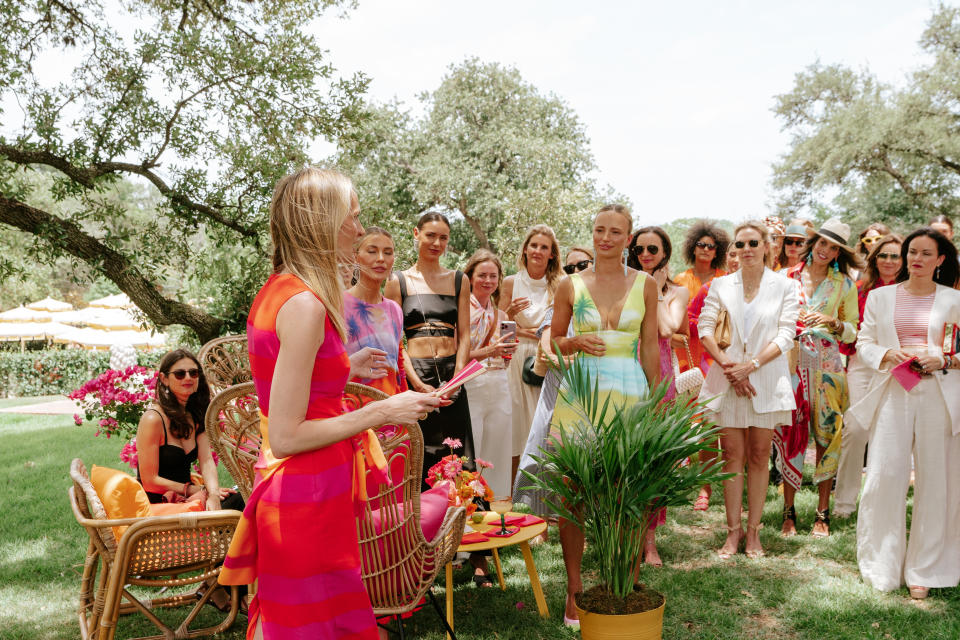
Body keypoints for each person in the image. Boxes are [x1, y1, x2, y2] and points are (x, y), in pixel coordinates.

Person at [219, 168, 442, 640]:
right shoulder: (306, 305)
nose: (360, 231)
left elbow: (290, 379)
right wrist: (384, 410)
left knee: (292, 621)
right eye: (352, 218)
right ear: (320, 221)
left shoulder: (280, 289)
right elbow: (286, 433)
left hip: (306, 487)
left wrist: (345, 366)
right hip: (307, 494)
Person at [550, 204, 660, 626]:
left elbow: (649, 348)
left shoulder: (646, 284)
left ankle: (624, 584)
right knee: (571, 491)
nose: (605, 237)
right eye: (599, 230)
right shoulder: (569, 285)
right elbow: (554, 343)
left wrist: (655, 403)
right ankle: (575, 589)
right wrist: (576, 344)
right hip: (581, 395)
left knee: (627, 492)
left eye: (615, 231)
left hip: (630, 392)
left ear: (629, 238)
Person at [848, 227, 960, 598]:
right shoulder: (880, 297)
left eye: (927, 253)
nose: (917, 259)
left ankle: (924, 570)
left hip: (938, 397)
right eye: (913, 252)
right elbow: (863, 341)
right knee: (885, 474)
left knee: (935, 480)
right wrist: (884, 354)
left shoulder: (954, 299)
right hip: (894, 391)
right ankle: (882, 565)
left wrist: (944, 358)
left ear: (941, 260)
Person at [698, 221, 799, 560]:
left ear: (769, 246)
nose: (747, 249)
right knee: (731, 456)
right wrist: (731, 368)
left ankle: (754, 533)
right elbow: (704, 329)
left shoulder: (785, 286)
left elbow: (786, 335)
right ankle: (732, 532)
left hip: (766, 380)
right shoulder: (721, 284)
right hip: (727, 380)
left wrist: (750, 366)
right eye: (740, 244)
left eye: (753, 242)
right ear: (734, 251)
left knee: (758, 456)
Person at [777, 218, 861, 538]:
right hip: (791, 362)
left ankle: (822, 514)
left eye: (834, 247)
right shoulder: (786, 277)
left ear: (839, 253)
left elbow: (853, 329)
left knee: (827, 437)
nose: (826, 250)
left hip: (827, 366)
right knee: (791, 434)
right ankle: (788, 512)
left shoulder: (845, 285)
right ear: (813, 244)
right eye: (823, 243)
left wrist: (833, 322)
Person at [512, 246, 594, 546]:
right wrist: (571, 361)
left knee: (583, 458)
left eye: (582, 265)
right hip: (559, 388)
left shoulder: (604, 304)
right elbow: (547, 348)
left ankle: (579, 524)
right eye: (569, 268)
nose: (575, 272)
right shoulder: (557, 306)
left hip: (591, 392)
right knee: (546, 455)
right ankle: (542, 525)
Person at [384, 212, 475, 477]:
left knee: (459, 455)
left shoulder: (460, 280)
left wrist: (457, 379)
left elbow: (465, 334)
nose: (436, 243)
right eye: (430, 236)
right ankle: (422, 516)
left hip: (453, 375)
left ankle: (461, 514)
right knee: (422, 452)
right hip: (416, 374)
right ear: (416, 233)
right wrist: (417, 382)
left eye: (443, 238)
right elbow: (394, 341)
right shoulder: (396, 282)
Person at [834, 234, 903, 517]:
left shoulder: (911, 291)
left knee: (889, 434)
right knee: (856, 428)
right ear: (874, 259)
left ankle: (881, 505)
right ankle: (844, 505)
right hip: (862, 364)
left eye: (895, 256)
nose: (888, 261)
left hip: (899, 366)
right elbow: (851, 333)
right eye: (883, 256)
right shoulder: (860, 289)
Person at [136, 348, 238, 509]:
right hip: (160, 504)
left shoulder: (196, 415)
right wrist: (199, 490)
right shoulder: (153, 419)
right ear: (164, 379)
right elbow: (150, 481)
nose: (188, 378)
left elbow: (206, 460)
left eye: (193, 373)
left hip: (189, 498)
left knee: (244, 499)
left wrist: (213, 495)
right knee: (239, 506)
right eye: (180, 374)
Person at [499, 224, 562, 483]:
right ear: (525, 250)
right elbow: (501, 327)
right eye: (533, 245)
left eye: (544, 247)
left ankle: (544, 494)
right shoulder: (511, 282)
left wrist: (526, 329)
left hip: (545, 360)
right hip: (515, 361)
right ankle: (515, 493)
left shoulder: (560, 285)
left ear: (552, 255)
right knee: (516, 429)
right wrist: (512, 317)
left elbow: (558, 328)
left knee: (545, 426)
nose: (537, 251)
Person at [463, 249, 517, 498]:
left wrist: (506, 353)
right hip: (472, 382)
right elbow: (459, 355)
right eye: (482, 275)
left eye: (493, 276)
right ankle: (469, 504)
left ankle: (497, 506)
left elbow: (503, 359)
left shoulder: (501, 316)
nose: (487, 281)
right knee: (472, 446)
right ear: (470, 277)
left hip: (499, 381)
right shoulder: (461, 310)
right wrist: (490, 350)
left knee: (498, 448)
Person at [344, 227, 406, 398]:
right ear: (355, 256)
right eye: (372, 251)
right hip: (349, 413)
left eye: (388, 253)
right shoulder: (337, 305)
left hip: (390, 414)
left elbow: (399, 367)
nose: (381, 259)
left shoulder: (395, 310)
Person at [628, 225, 688, 402]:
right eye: (639, 249)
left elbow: (667, 330)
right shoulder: (625, 286)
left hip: (660, 372)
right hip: (626, 369)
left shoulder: (678, 292)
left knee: (658, 426)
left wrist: (656, 290)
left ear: (665, 253)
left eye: (652, 249)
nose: (645, 254)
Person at [675, 221, 730, 372]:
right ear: (693, 249)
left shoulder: (724, 278)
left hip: (716, 348)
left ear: (716, 252)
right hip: (687, 348)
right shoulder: (680, 279)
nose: (706, 249)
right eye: (701, 245)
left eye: (711, 246)